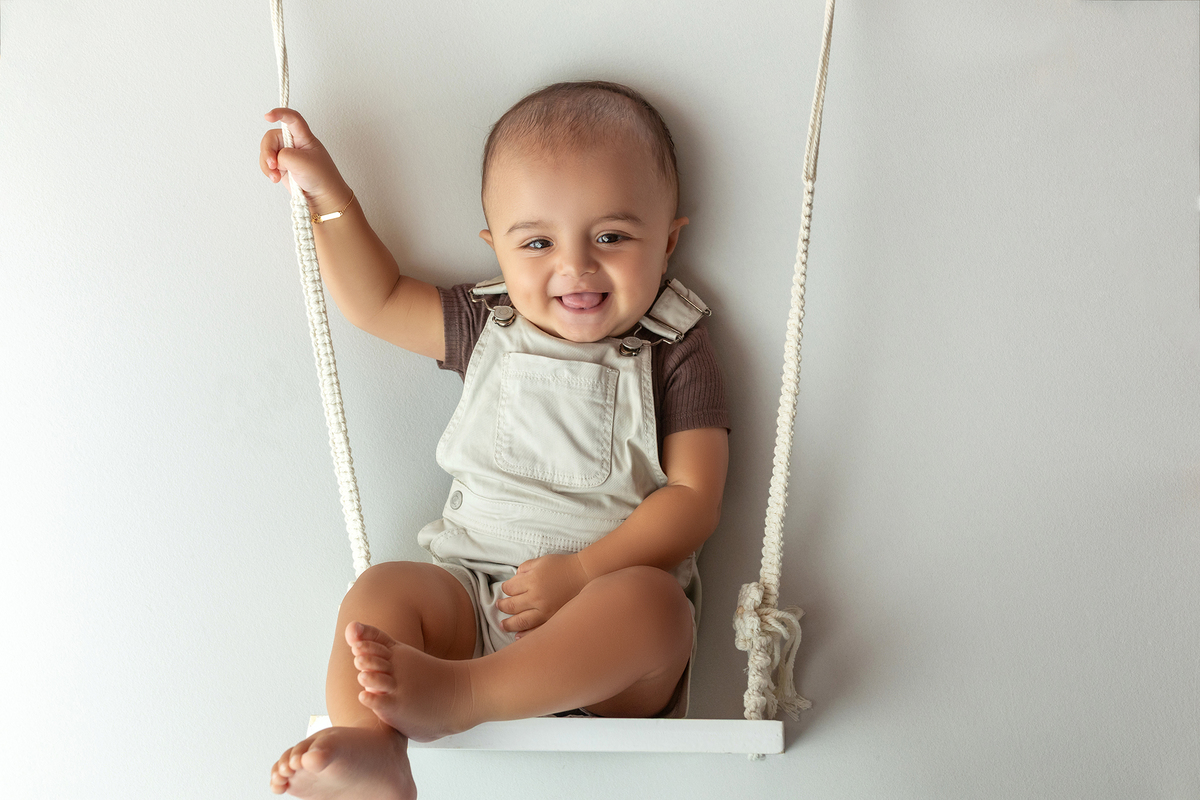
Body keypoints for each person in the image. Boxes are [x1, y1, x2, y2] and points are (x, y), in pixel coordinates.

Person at [262, 81, 729, 799]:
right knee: (381, 590)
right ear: (497, 251)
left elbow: (694, 501)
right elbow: (377, 300)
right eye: (538, 242)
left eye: (611, 236)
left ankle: (463, 697)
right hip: (475, 600)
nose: (575, 265)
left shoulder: (675, 345)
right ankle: (374, 746)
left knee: (658, 611)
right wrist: (329, 198)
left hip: (604, 637)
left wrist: (583, 572)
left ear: (668, 238)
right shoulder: (488, 325)